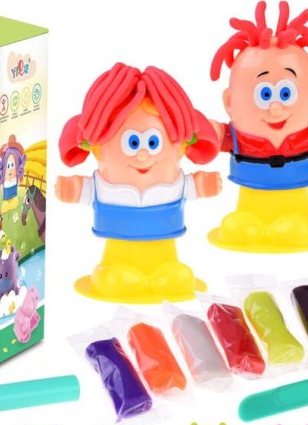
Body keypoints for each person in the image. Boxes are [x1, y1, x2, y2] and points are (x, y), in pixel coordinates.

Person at [56, 63, 220, 303]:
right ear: (98, 150)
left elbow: (192, 187)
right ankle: (112, 274)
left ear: (181, 148)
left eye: (153, 143)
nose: (143, 155)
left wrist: (203, 184)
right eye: (133, 143)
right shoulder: (104, 187)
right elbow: (86, 190)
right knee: (117, 279)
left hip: (166, 255)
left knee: (176, 278)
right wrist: (72, 189)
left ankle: (165, 274)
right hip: (117, 259)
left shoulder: (175, 186)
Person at [208, 0, 308, 252]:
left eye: (286, 94)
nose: (275, 108)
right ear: (229, 102)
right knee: (241, 227)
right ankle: (249, 224)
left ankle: (302, 222)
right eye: (265, 95)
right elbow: (217, 138)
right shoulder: (236, 136)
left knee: (296, 228)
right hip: (250, 202)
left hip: (297, 203)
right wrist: (211, 133)